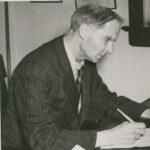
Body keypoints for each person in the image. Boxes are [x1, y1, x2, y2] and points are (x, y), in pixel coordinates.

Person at [2, 4, 150, 150]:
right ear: (84, 31)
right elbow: (41, 138)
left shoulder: (87, 63)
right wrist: (110, 136)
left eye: (113, 42)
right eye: (107, 39)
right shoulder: (35, 69)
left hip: (65, 142)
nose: (110, 50)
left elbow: (106, 101)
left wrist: (145, 111)